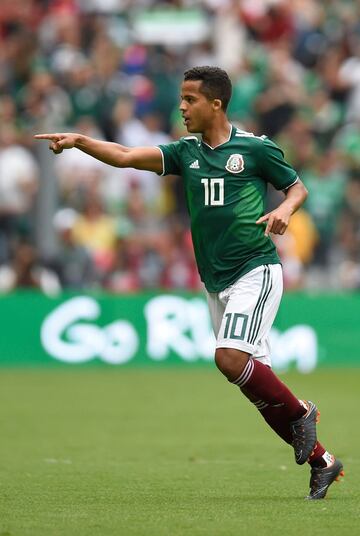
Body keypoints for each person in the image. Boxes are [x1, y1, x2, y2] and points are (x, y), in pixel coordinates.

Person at [35, 65, 344, 500]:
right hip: (214, 280)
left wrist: (285, 210)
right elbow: (125, 155)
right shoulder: (186, 153)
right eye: (181, 98)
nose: (181, 107)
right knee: (257, 386)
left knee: (230, 360)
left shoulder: (255, 149)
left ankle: (303, 411)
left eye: (190, 100)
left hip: (254, 269)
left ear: (216, 103)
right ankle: (323, 462)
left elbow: (297, 189)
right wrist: (81, 142)